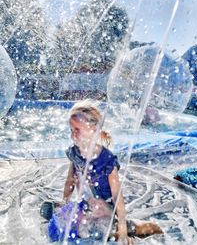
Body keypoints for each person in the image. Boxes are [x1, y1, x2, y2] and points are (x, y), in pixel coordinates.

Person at [42, 99, 163, 244]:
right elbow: (70, 181)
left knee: (111, 233)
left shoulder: (106, 160)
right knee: (62, 223)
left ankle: (143, 227)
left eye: (77, 130)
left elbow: (118, 197)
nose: (73, 135)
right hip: (86, 205)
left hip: (105, 209)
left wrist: (123, 232)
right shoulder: (75, 153)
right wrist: (64, 202)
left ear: (93, 130)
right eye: (71, 130)